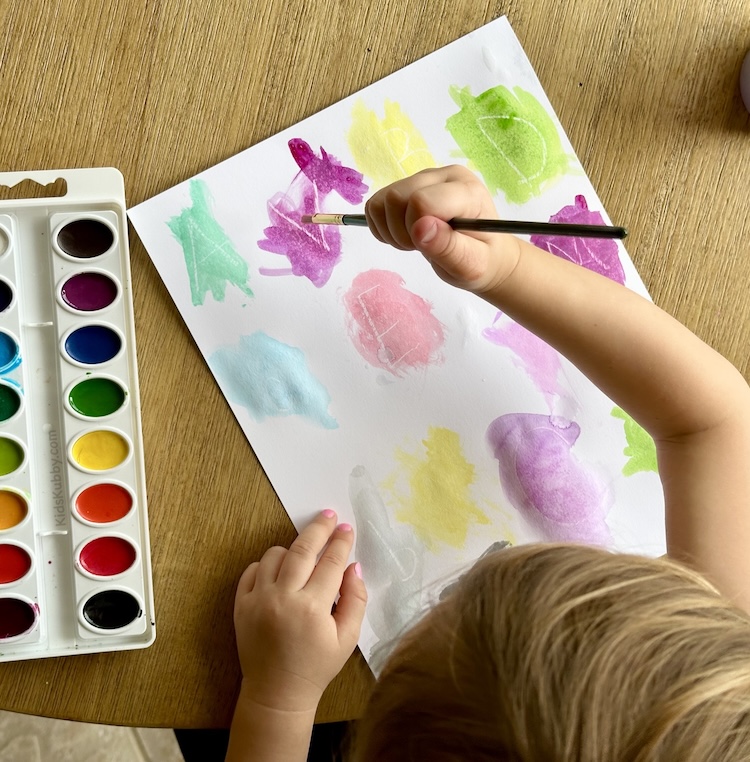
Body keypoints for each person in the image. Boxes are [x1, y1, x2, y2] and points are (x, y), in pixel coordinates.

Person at [225, 166, 750, 761]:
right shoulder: (720, 683)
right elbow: (712, 421)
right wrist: (507, 267)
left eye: (434, 613)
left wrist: (278, 700)